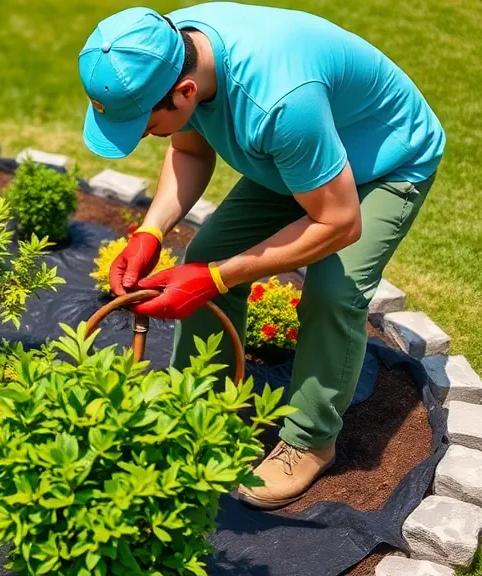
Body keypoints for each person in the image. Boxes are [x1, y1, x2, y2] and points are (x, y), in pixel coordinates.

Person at [78, 3, 444, 509]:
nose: (141, 135)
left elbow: (338, 222)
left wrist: (217, 278)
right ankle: (200, 410)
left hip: (383, 160)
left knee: (334, 293)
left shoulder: (278, 102)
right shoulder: (165, 47)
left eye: (143, 124)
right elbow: (188, 150)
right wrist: (150, 232)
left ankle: (310, 441)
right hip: (305, 157)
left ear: (184, 92)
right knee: (208, 251)